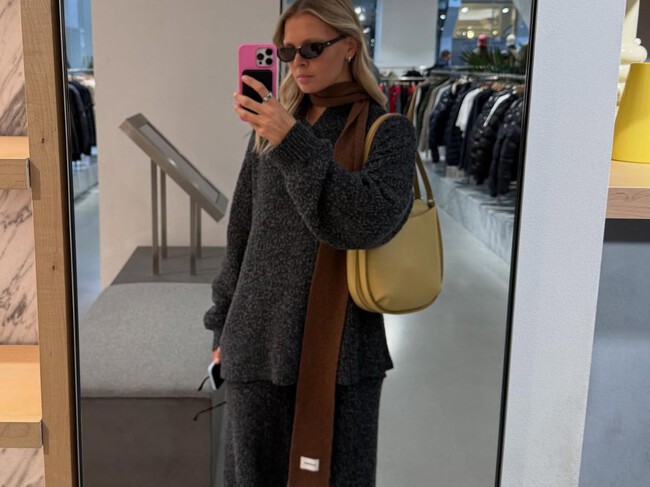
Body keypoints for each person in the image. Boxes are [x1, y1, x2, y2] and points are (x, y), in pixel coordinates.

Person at [203, 0, 416, 485]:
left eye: (312, 48)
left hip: (341, 353)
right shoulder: (269, 130)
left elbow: (364, 223)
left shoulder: (388, 132)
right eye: (287, 51)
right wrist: (221, 327)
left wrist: (292, 140)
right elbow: (242, 235)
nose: (297, 62)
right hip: (256, 342)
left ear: (350, 47)